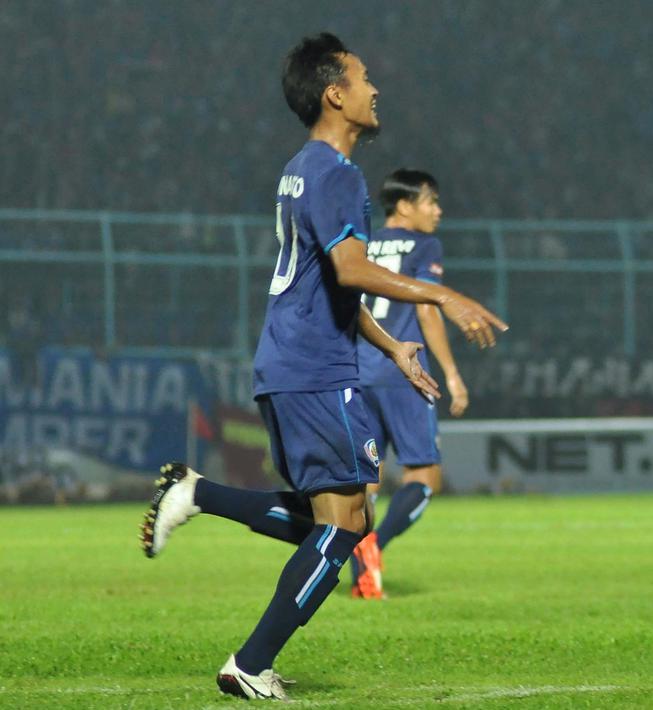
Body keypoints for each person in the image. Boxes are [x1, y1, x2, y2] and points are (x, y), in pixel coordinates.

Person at [138, 33, 506, 700]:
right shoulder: (337, 175)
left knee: (340, 523)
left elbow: (329, 284)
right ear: (335, 93)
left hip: (292, 360)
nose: (374, 89)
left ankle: (196, 494)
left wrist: (390, 345)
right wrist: (444, 294)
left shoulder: (300, 169)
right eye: (364, 79)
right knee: (341, 531)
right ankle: (250, 662)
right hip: (315, 370)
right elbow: (350, 269)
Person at [349, 169, 468, 600]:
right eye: (430, 201)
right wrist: (452, 374)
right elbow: (427, 310)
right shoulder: (424, 246)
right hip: (404, 373)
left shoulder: (360, 242)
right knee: (424, 476)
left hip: (359, 369)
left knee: (367, 480)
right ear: (404, 206)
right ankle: (374, 547)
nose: (437, 211)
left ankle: (360, 560)